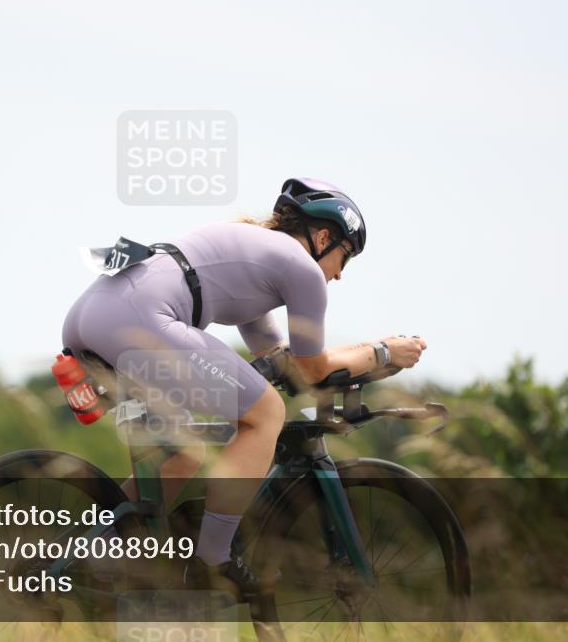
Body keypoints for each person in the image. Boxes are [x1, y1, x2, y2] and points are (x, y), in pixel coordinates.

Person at [60, 177, 427, 597]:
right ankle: (214, 561)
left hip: (92, 316)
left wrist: (360, 359)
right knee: (266, 414)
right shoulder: (302, 269)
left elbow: (282, 358)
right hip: (137, 318)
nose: (340, 274)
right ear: (324, 238)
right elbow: (311, 369)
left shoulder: (257, 257)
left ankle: (85, 562)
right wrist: (382, 352)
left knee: (181, 457)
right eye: (345, 256)